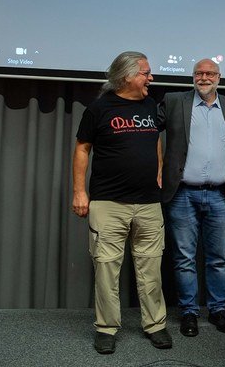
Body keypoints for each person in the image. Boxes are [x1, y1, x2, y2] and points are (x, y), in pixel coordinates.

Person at [71, 51, 173, 354]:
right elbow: (82, 149)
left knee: (151, 268)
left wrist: (158, 170)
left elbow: (155, 139)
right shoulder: (99, 108)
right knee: (106, 268)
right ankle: (106, 328)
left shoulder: (150, 105)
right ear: (126, 75)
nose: (150, 78)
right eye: (145, 73)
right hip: (108, 203)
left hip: (148, 204)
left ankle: (155, 325)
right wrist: (79, 192)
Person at [157, 59, 225, 338]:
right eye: (199, 73)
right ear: (193, 77)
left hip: (221, 195)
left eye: (210, 73)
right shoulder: (174, 101)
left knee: (218, 258)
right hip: (183, 193)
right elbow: (146, 130)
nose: (204, 77)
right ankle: (188, 313)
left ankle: (217, 310)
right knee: (184, 258)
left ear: (219, 77)